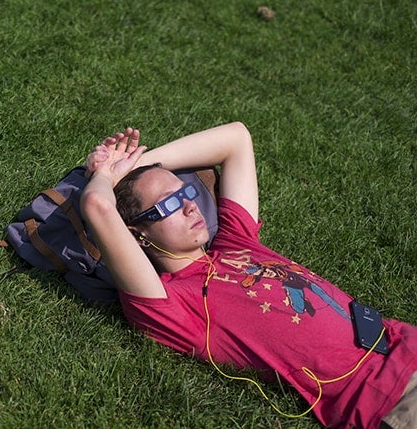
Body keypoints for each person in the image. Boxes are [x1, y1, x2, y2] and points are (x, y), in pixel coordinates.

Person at [79, 122, 417, 429]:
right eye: (169, 204)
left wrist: (132, 164)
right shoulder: (175, 306)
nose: (190, 206)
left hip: (406, 342)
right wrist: (104, 177)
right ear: (138, 234)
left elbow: (236, 138)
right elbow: (99, 206)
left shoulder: (234, 242)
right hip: (384, 398)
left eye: (186, 192)